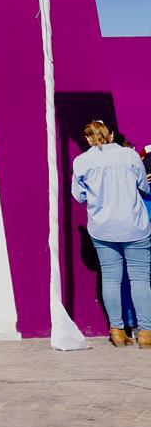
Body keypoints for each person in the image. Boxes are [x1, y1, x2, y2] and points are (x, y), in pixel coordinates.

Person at [71, 119, 151, 347]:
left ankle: (117, 331)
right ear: (112, 135)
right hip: (134, 225)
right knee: (140, 278)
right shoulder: (130, 156)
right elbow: (143, 186)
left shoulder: (81, 162)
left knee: (110, 278)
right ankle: (146, 333)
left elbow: (79, 196)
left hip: (102, 227)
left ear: (88, 138)